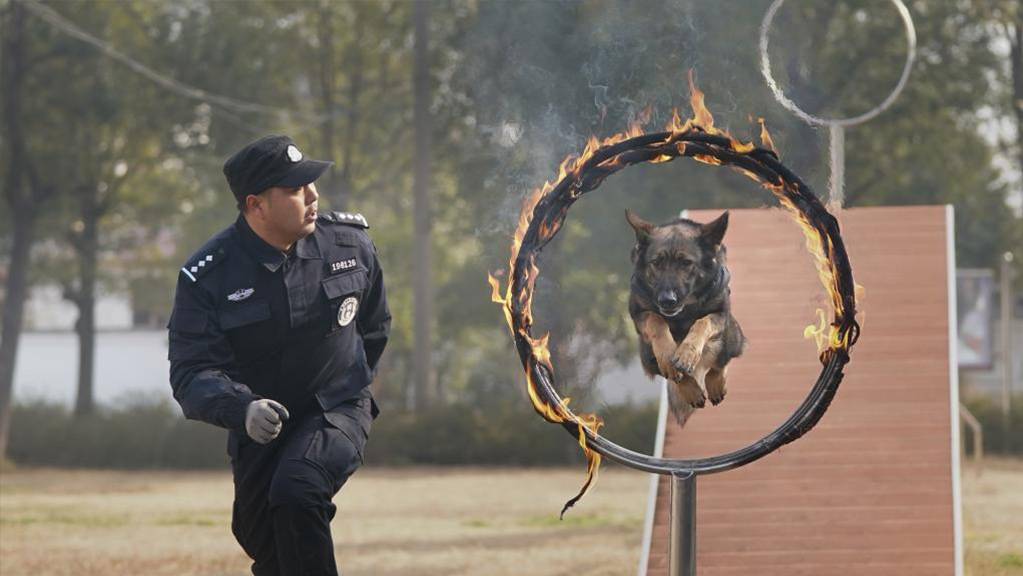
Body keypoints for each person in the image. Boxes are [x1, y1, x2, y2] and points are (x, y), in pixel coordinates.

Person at [167, 134, 390, 576]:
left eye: (310, 183)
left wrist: (354, 389)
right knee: (265, 538)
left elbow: (375, 327)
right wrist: (242, 407)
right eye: (294, 189)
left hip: (337, 408)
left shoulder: (350, 246)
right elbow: (192, 372)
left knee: (297, 491)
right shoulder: (207, 276)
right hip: (260, 425)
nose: (313, 195)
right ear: (256, 205)